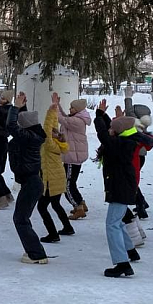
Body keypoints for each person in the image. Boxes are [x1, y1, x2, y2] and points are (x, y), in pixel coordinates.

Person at [93, 99, 153, 277]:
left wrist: (99, 116)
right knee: (119, 221)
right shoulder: (126, 140)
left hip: (120, 188)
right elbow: (110, 132)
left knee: (112, 224)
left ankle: (122, 264)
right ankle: (130, 251)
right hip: (123, 187)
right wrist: (105, 116)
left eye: (112, 128)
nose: (109, 130)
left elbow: (104, 135)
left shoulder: (120, 144)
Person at [7, 92, 49, 264]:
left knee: (20, 219)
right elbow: (22, 123)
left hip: (31, 183)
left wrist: (15, 107)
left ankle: (37, 254)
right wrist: (22, 106)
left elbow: (11, 126)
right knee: (22, 218)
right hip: (31, 182)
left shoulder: (28, 137)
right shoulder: (33, 134)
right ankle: (36, 252)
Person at [38, 93, 73, 241]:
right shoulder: (58, 143)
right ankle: (68, 227)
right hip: (57, 178)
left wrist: (51, 110)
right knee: (56, 204)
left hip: (51, 181)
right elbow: (52, 127)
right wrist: (55, 108)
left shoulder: (49, 143)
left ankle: (53, 234)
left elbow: (47, 129)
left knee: (42, 207)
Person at [123, 86, 153, 219]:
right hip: (141, 156)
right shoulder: (143, 125)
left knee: (131, 182)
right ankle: (142, 202)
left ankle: (141, 205)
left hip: (134, 156)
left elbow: (129, 111)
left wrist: (128, 96)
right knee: (132, 181)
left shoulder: (135, 125)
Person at [58, 96, 91, 221]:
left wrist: (54, 106)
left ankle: (78, 208)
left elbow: (61, 119)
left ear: (77, 109)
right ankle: (81, 203)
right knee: (72, 182)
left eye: (72, 108)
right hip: (73, 155)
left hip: (72, 157)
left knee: (66, 185)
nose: (69, 109)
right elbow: (64, 117)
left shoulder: (77, 121)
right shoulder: (77, 118)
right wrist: (58, 105)